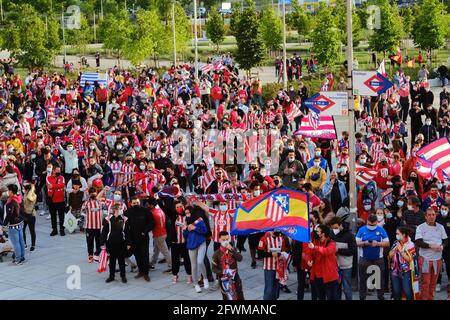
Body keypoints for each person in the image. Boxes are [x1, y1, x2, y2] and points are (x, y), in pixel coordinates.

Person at [415, 208, 449, 300]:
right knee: (426, 282)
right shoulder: (420, 227)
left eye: (433, 215)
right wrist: (430, 246)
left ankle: (431, 298)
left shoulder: (440, 227)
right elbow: (418, 242)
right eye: (429, 215)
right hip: (425, 259)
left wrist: (442, 246)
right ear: (425, 217)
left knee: (433, 283)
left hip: (437, 259)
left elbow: (446, 240)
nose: (431, 217)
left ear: (435, 216)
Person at [356, 214, 390, 300]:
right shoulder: (361, 229)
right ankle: (362, 297)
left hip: (378, 258)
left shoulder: (381, 230)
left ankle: (380, 296)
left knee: (379, 279)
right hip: (364, 258)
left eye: (373, 224)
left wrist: (378, 243)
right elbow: (356, 243)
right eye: (370, 224)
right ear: (367, 221)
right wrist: (365, 243)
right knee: (363, 279)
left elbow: (387, 243)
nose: (371, 226)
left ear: (376, 222)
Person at [124, 196, 155, 282]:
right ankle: (141, 271)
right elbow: (125, 227)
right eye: (134, 203)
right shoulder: (127, 213)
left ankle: (146, 273)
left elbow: (152, 222)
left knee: (145, 255)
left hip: (144, 237)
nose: (136, 204)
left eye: (137, 203)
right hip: (133, 238)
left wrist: (145, 231)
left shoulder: (146, 211)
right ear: (131, 204)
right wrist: (128, 240)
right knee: (137, 255)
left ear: (139, 202)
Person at [308, 224, 340, 300]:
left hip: (329, 277)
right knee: (320, 297)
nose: (316, 233)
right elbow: (311, 254)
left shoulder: (331, 243)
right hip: (317, 276)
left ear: (323, 233)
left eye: (318, 231)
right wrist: (310, 260)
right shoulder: (316, 242)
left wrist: (315, 247)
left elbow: (326, 251)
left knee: (332, 297)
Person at [102, 204, 131, 283]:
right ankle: (111, 276)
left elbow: (127, 232)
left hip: (121, 243)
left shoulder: (124, 219)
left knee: (121, 261)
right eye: (119, 209)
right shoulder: (107, 219)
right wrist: (102, 243)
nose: (121, 210)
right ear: (114, 210)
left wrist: (128, 243)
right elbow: (104, 232)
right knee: (112, 261)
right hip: (110, 243)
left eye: (121, 209)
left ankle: (123, 276)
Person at [212, 231, 245, 300]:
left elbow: (240, 258)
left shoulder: (234, 249)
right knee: (226, 297)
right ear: (219, 240)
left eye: (227, 239)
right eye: (223, 240)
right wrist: (222, 272)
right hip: (223, 279)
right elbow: (213, 268)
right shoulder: (216, 253)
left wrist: (232, 250)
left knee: (240, 296)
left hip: (235, 277)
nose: (226, 242)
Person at [329, 217, 356, 300]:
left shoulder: (349, 235)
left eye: (336, 228)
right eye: (333, 228)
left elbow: (352, 250)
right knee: (336, 289)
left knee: (347, 289)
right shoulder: (331, 234)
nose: (334, 230)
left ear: (341, 225)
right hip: (335, 266)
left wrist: (339, 250)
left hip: (346, 266)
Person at [183, 206, 209, 293]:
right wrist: (185, 230)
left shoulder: (199, 220)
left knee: (200, 261)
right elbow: (185, 236)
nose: (187, 215)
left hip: (201, 243)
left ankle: (205, 279)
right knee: (193, 265)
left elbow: (205, 231)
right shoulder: (186, 222)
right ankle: (196, 284)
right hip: (191, 245)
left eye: (188, 213)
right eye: (186, 213)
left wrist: (195, 228)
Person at [258, 230, 289, 300]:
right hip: (269, 267)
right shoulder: (264, 238)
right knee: (269, 288)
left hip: (279, 267)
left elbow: (284, 251)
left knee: (276, 288)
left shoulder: (281, 238)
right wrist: (271, 254)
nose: (279, 232)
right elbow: (260, 253)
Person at [389, 226, 417, 300]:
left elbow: (409, 259)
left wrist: (401, 251)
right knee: (396, 291)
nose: (396, 235)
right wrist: (395, 249)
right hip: (395, 270)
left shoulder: (411, 244)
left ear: (403, 234)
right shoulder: (396, 243)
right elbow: (390, 255)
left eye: (398, 234)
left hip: (406, 271)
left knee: (407, 291)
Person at [170, 201, 192, 284]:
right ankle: (175, 275)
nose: (179, 208)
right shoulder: (173, 217)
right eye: (177, 207)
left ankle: (189, 275)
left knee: (187, 259)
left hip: (185, 242)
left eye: (180, 206)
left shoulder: (187, 216)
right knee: (175, 260)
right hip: (175, 242)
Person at [3, 184, 25, 264]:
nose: (7, 192)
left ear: (11, 191)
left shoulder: (11, 202)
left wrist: (4, 224)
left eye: (8, 190)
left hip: (12, 225)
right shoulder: (19, 198)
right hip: (20, 222)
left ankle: (18, 259)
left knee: (16, 243)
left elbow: (9, 215)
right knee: (21, 241)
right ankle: (22, 257)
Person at [148, 197, 172, 272]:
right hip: (163, 232)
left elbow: (151, 224)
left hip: (158, 234)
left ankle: (171, 266)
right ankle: (152, 264)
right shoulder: (160, 210)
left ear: (151, 205)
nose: (147, 205)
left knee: (165, 251)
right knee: (156, 250)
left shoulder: (152, 213)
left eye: (148, 204)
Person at [81, 188, 103, 263]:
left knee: (99, 242)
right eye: (91, 193)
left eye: (94, 192)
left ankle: (97, 255)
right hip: (89, 226)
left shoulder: (100, 201)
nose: (93, 194)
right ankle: (90, 256)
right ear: (89, 194)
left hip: (99, 226)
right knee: (90, 242)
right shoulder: (86, 203)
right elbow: (82, 211)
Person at [46, 165, 66, 236]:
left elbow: (62, 185)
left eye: (59, 170)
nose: (59, 172)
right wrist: (57, 186)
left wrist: (53, 186)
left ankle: (62, 229)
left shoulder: (62, 177)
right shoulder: (48, 178)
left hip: (61, 200)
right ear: (53, 171)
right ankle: (54, 229)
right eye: (57, 170)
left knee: (61, 216)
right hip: (52, 200)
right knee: (53, 216)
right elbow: (49, 186)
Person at [22, 182, 37, 251]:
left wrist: (32, 188)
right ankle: (24, 244)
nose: (23, 188)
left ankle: (33, 245)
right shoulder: (25, 193)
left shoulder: (34, 195)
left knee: (32, 231)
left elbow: (29, 198)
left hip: (31, 215)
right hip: (25, 214)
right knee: (22, 230)